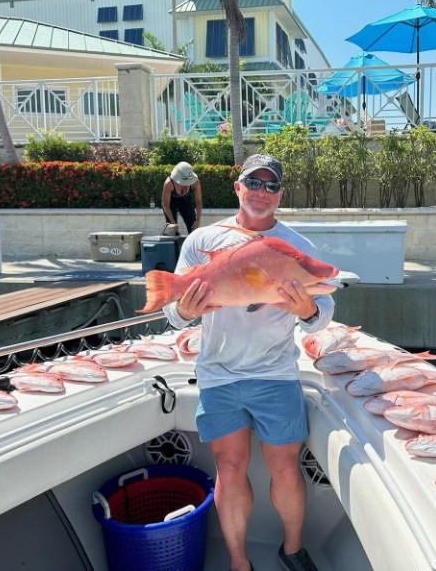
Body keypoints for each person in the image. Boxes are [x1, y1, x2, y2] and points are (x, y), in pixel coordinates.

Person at [163, 153, 333, 571]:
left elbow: (324, 310)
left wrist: (307, 308)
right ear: (237, 189)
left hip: (275, 374)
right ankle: (240, 561)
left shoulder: (298, 245)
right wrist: (185, 310)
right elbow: (171, 311)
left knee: (285, 467)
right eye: (252, 183)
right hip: (218, 375)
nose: (261, 192)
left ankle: (292, 549)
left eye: (270, 185)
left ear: (280, 194)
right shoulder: (201, 242)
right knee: (230, 466)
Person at [161, 161, 202, 235]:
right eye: (183, 182)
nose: (186, 185)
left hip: (186, 202)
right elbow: (165, 205)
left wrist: (198, 220)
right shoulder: (169, 183)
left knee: (194, 229)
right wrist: (173, 223)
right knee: (172, 230)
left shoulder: (195, 183)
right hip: (170, 204)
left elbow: (198, 202)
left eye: (188, 182)